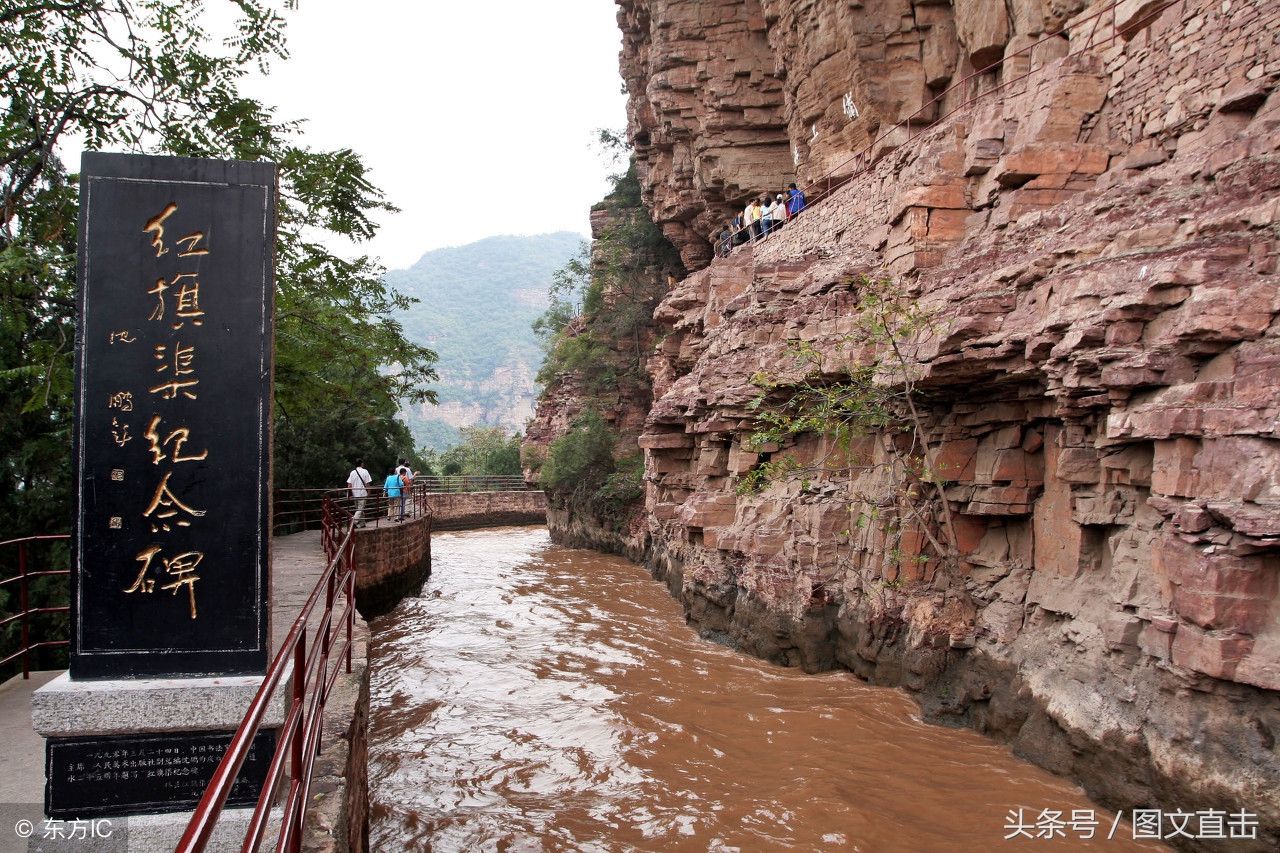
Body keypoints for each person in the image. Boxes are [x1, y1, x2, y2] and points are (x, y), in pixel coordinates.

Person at [346, 458, 372, 527]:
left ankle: (362, 523)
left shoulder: (352, 472)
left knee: (359, 509)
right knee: (360, 509)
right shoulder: (365, 471)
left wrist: (348, 493)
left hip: (355, 493)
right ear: (361, 464)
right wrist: (369, 491)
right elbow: (367, 483)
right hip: (362, 493)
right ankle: (354, 522)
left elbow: (349, 484)